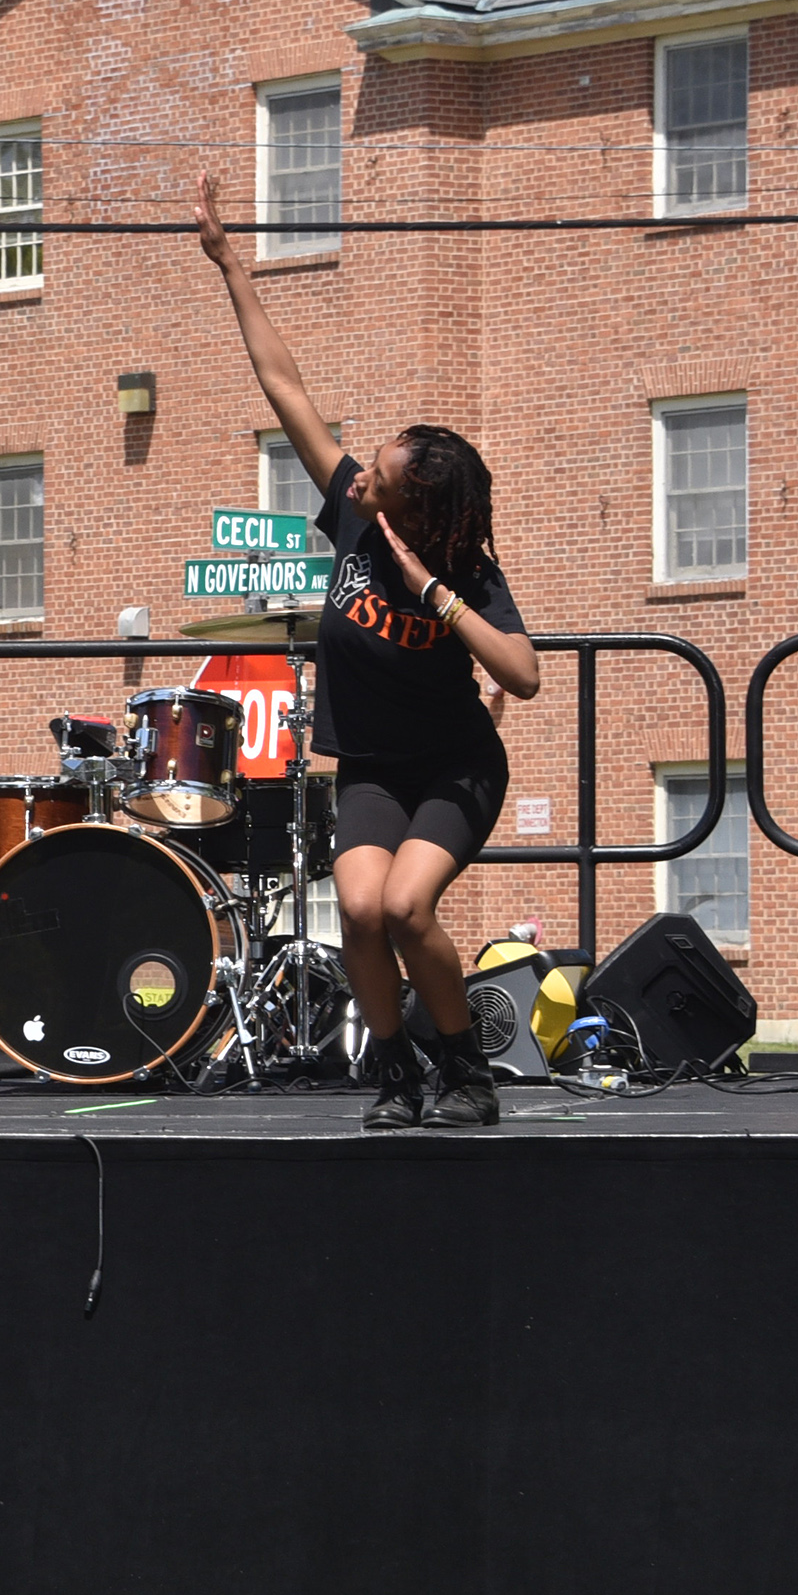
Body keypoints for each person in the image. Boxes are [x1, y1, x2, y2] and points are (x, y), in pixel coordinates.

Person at [196, 176, 543, 1126]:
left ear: (414, 508)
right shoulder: (349, 516)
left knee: (407, 909)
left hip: (456, 769)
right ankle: (394, 1075)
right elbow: (285, 388)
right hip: (373, 771)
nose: (361, 477)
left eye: (380, 477)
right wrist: (231, 262)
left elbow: (524, 674)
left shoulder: (464, 568)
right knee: (356, 911)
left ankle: (465, 1070)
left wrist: (434, 593)